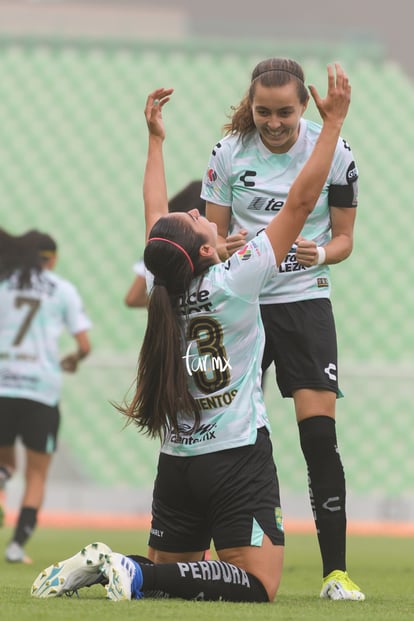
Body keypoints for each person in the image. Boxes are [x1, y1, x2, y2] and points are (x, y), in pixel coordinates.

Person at [31, 64, 354, 602]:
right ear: (207, 250)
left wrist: (155, 143)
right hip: (234, 455)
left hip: (177, 458)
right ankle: (134, 575)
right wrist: (335, 125)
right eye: (200, 220)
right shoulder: (238, 280)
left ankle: (110, 566)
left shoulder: (166, 290)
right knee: (258, 585)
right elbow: (299, 202)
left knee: (178, 574)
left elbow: (154, 213)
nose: (201, 214)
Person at [201, 57, 362, 601]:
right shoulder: (227, 153)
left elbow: (344, 240)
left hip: (303, 303)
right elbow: (211, 243)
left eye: (285, 113)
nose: (273, 122)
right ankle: (196, 553)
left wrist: (321, 252)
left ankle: (336, 575)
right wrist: (236, 249)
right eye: (263, 112)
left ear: (303, 106)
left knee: (318, 437)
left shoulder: (334, 151)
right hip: (242, 303)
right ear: (250, 105)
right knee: (217, 429)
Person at [0, 229, 91, 563]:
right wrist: (72, 360)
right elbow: (83, 345)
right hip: (41, 389)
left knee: (6, 463)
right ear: (51, 259)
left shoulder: (4, 283)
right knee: (36, 474)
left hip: (3, 385)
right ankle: (16, 545)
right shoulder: (62, 289)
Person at [124, 180, 205, 308]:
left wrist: (172, 303)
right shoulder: (207, 245)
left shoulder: (159, 244)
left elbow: (133, 298)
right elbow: (132, 298)